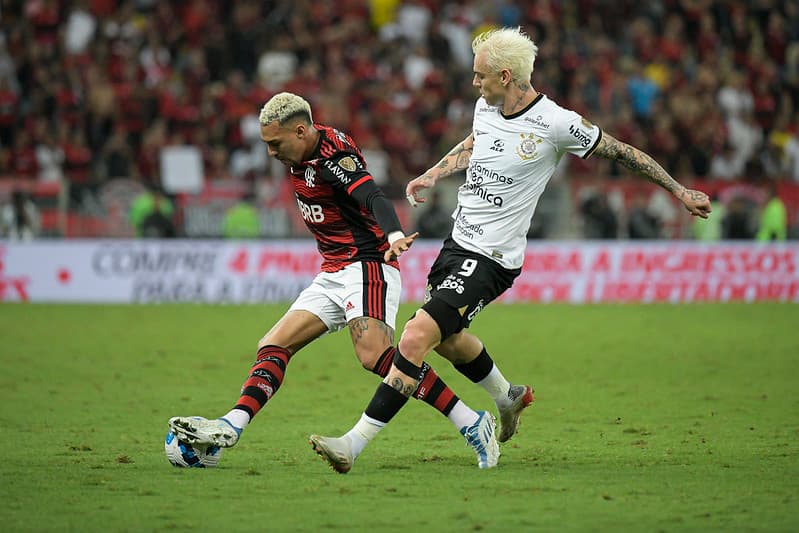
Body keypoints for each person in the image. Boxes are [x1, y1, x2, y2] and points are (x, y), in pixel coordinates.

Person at [310, 27, 711, 473]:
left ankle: (353, 444)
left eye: (481, 76)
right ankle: (508, 396)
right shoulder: (487, 106)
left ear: (505, 75)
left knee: (416, 337)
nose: (475, 84)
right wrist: (432, 173)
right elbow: (475, 142)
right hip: (456, 244)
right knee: (449, 341)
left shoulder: (557, 123)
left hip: (491, 259)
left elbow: (622, 152)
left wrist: (678, 190)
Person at [168, 92, 498, 467]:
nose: (271, 153)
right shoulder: (298, 154)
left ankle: (471, 422)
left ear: (301, 130)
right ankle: (233, 424)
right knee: (273, 343)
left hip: (368, 266)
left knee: (374, 355)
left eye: (275, 144)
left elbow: (373, 196)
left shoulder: (332, 158)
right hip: (332, 270)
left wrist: (392, 235)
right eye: (266, 145)